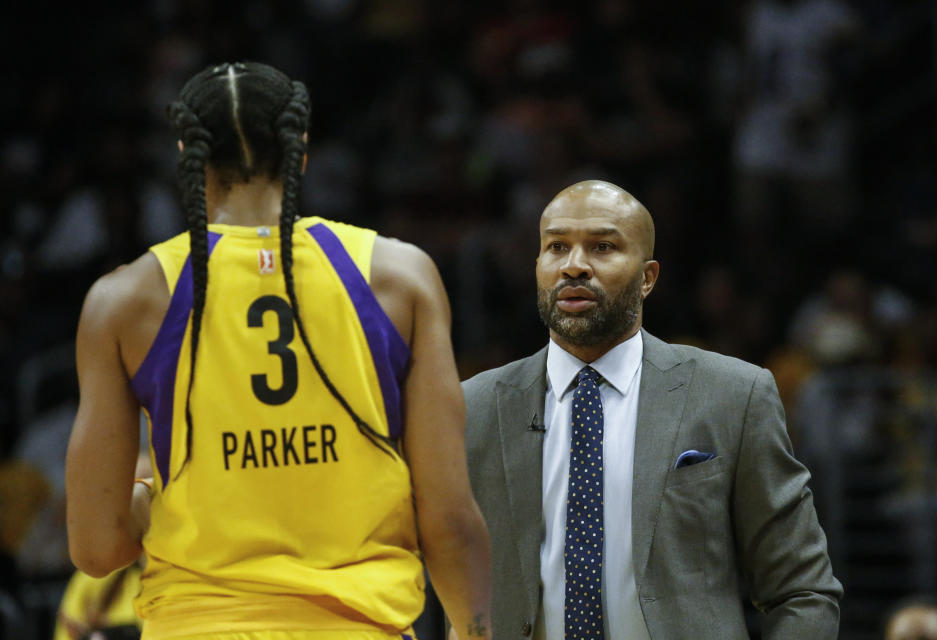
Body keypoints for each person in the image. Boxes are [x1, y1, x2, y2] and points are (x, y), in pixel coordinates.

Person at [65, 61, 491, 640]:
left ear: (187, 154)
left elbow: (96, 546)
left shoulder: (125, 299)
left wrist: (150, 497)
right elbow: (449, 520)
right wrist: (476, 631)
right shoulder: (398, 276)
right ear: (301, 150)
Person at [460, 180, 841, 639]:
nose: (574, 266)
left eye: (602, 247)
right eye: (556, 247)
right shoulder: (471, 408)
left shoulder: (733, 395)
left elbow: (801, 589)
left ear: (647, 278)